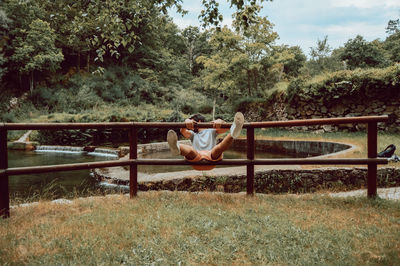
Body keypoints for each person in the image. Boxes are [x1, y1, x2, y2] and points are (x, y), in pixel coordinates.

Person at [167, 112, 244, 171]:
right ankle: (176, 147)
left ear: (199, 121)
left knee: (218, 148)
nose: (191, 124)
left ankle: (233, 133)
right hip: (196, 159)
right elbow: (183, 131)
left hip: (212, 158)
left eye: (192, 122)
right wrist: (186, 122)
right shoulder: (193, 134)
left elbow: (225, 128)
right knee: (190, 150)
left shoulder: (211, 131)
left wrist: (220, 121)